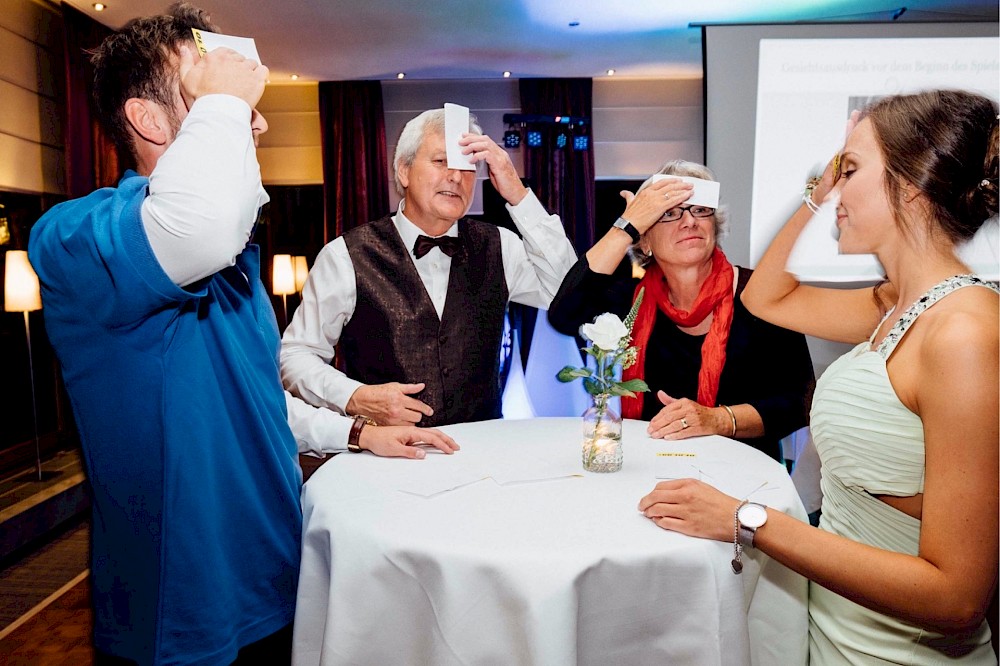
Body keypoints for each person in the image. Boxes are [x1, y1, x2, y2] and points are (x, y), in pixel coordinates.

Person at [27, 5, 456, 664]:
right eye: (210, 93)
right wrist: (222, 107)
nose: (254, 117)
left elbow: (257, 399)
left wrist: (356, 433)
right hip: (183, 613)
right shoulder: (75, 236)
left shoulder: (229, 264)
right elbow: (197, 224)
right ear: (146, 119)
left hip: (276, 578)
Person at [639, 90, 999, 664]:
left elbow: (956, 597)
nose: (831, 189)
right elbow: (766, 295)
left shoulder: (964, 332)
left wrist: (744, 518)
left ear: (907, 184)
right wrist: (818, 191)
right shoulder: (894, 304)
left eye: (848, 170)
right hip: (833, 628)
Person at [280, 109, 577, 427]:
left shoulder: (501, 246)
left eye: (467, 167)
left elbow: (568, 293)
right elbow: (296, 356)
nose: (455, 177)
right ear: (404, 171)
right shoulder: (345, 255)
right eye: (441, 161)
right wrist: (353, 396)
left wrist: (519, 196)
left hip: (483, 453)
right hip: (386, 457)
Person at [547, 161, 814, 463]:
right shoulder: (629, 301)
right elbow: (564, 314)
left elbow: (799, 401)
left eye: (700, 209)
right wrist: (625, 227)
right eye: (669, 213)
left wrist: (717, 420)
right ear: (644, 240)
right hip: (649, 466)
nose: (689, 222)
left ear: (715, 225)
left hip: (743, 470)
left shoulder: (761, 293)